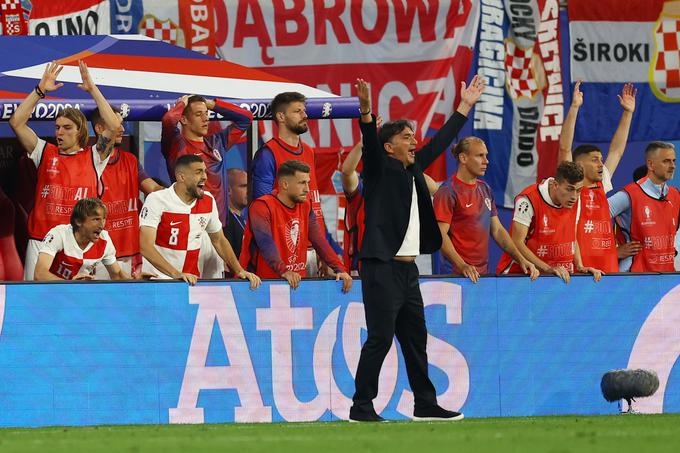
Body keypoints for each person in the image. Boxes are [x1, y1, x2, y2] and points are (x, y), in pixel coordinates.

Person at [349, 75, 485, 423]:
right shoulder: (379, 168)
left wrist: (464, 106)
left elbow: (440, 142)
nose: (414, 141)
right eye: (406, 137)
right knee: (380, 339)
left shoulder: (414, 169)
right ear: (389, 147)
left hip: (409, 271)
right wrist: (365, 112)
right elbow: (369, 139)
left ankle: (425, 404)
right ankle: (361, 408)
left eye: (413, 136)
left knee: (415, 340)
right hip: (381, 266)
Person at [9, 60, 121, 280]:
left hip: (77, 243)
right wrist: (40, 90)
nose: (60, 132)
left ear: (80, 131)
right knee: (34, 304)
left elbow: (114, 126)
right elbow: (17, 122)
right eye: (57, 127)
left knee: (75, 305)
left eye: (67, 128)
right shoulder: (45, 152)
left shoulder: (94, 156)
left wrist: (92, 89)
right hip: (41, 241)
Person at [161, 94, 253, 278]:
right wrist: (182, 103)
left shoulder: (216, 142)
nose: (206, 119)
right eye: (198, 114)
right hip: (187, 228)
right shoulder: (176, 144)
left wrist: (213, 104)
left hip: (216, 230)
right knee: (186, 285)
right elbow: (169, 119)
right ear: (184, 119)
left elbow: (246, 118)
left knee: (214, 293)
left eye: (207, 114)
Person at [139, 154, 260, 288]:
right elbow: (145, 245)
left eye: (205, 172)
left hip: (190, 281)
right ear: (181, 177)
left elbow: (219, 240)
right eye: (198, 172)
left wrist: (239, 270)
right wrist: (175, 273)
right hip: (159, 280)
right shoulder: (157, 200)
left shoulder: (208, 200)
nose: (205, 177)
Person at [557, 81, 637, 273]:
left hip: (609, 270)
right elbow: (565, 148)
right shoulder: (571, 186)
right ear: (578, 165)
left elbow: (617, 150)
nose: (601, 164)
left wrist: (628, 113)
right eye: (594, 160)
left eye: (601, 160)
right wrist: (575, 108)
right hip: (580, 270)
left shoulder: (603, 182)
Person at [433, 137, 539, 282]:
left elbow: (498, 230)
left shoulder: (485, 188)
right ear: (463, 158)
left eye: (486, 155)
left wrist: (521, 259)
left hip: (482, 275)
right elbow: (440, 235)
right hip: (455, 275)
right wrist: (462, 265)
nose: (486, 161)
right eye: (480, 156)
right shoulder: (447, 191)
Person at [341, 125, 441, 275]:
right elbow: (347, 171)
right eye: (407, 137)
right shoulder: (361, 189)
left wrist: (409, 167)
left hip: (403, 266)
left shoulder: (399, 185)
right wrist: (365, 142)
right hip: (364, 266)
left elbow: (434, 189)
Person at [240, 160, 352, 292]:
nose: (307, 189)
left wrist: (340, 269)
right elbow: (266, 244)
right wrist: (285, 271)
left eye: (308, 183)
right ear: (285, 184)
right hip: (260, 285)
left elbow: (319, 240)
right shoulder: (262, 206)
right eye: (302, 183)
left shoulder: (305, 205)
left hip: (295, 283)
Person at [251, 92, 329, 276]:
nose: (305, 115)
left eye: (304, 110)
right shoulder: (267, 154)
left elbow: (313, 201)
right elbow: (261, 212)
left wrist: (323, 249)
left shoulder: (309, 151)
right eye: (297, 111)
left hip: (311, 248)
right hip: (284, 252)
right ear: (281, 117)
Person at [496, 161, 602, 283]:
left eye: (578, 190)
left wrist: (580, 266)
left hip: (559, 276)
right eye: (569, 189)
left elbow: (573, 237)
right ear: (555, 185)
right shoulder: (527, 200)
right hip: (522, 277)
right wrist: (548, 269)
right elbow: (517, 242)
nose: (574, 196)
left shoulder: (575, 200)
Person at [90, 106, 163, 278]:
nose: (122, 129)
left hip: (128, 251)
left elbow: (153, 189)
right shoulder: (88, 160)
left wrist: (178, 193)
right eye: (116, 123)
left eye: (122, 123)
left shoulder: (130, 161)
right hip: (97, 254)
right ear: (99, 129)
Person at [608, 142, 680, 272]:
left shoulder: (676, 195)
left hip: (667, 275)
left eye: (674, 161)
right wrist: (612, 252)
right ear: (651, 164)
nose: (672, 166)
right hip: (635, 277)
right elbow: (592, 220)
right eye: (666, 161)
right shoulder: (629, 195)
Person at [34, 198, 130, 281]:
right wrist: (71, 285)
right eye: (96, 219)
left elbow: (117, 275)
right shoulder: (58, 234)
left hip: (81, 294)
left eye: (103, 219)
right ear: (79, 221)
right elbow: (39, 274)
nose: (102, 225)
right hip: (53, 293)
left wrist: (139, 281)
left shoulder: (104, 240)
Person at [223, 168, 248, 259]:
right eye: (243, 186)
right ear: (228, 190)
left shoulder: (243, 219)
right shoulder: (225, 222)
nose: (248, 190)